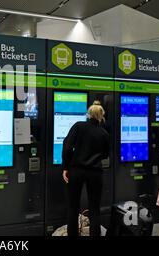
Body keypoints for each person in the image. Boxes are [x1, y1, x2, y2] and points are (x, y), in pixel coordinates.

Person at [62, 101, 110, 236]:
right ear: (101, 116)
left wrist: (66, 166)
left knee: (73, 207)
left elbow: (67, 147)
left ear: (88, 114)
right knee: (94, 208)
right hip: (95, 173)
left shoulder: (78, 126)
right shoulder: (103, 133)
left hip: (76, 171)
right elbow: (106, 154)